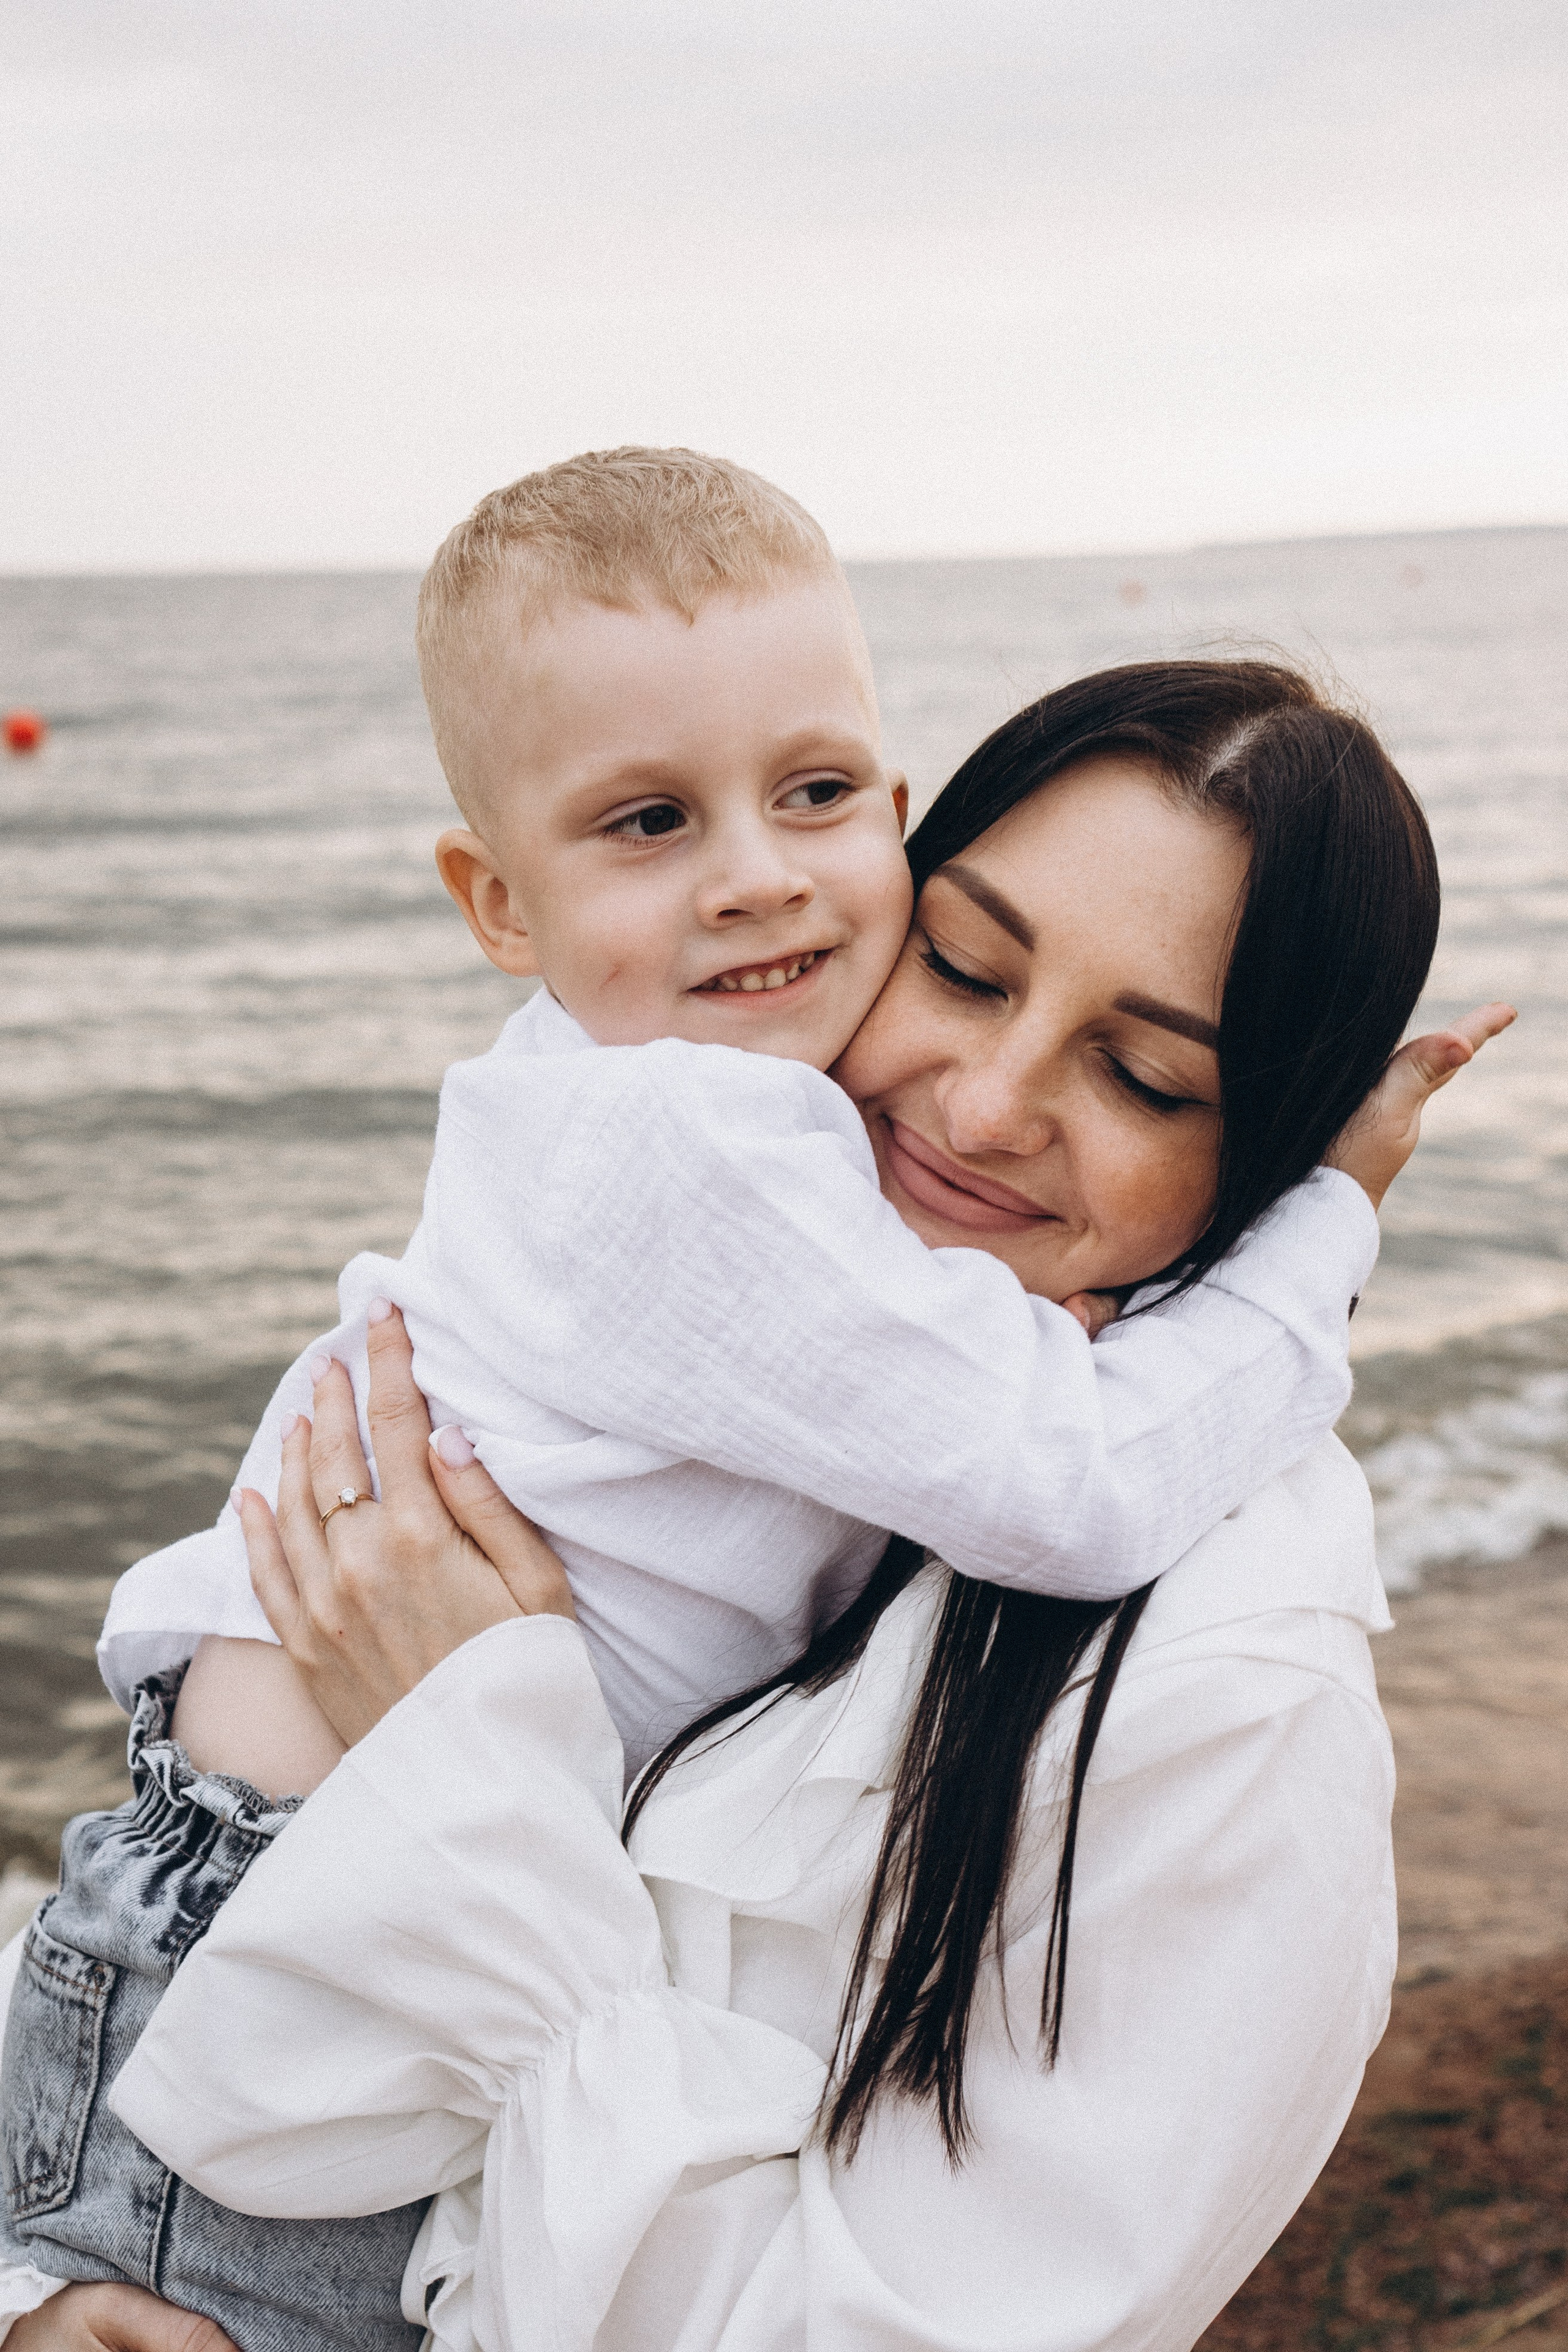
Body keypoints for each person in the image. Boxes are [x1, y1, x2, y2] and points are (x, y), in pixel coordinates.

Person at [2, 461, 1398, 2352]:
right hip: (264, 1947)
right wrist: (1325, 1234)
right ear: (500, 902)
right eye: (965, 966)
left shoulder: (1231, 1693)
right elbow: (1061, 1478)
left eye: (1148, 1078)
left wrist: (478, 1745)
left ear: (884, 812)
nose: (986, 1107)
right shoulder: (700, 1153)